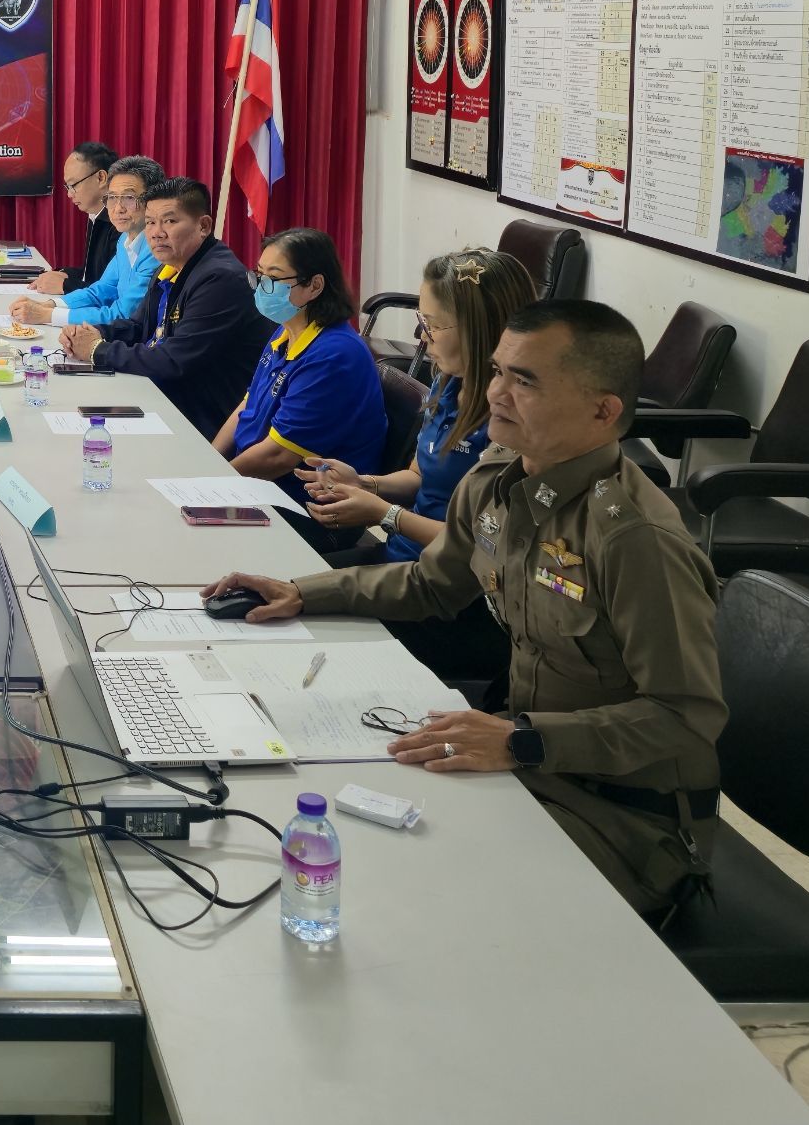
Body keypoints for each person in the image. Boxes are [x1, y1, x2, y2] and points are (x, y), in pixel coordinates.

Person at [207, 300, 725, 916]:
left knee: (412, 900)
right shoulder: (496, 479)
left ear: (603, 410)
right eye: (499, 371)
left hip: (623, 817)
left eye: (525, 381)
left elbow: (685, 716)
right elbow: (432, 584)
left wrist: (522, 742)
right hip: (527, 763)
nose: (496, 393)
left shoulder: (634, 540)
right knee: (325, 822)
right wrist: (305, 592)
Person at [298, 246, 536, 563]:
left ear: (479, 329)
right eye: (422, 321)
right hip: (402, 556)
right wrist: (364, 483)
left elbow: (483, 544)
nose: (423, 338)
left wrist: (386, 514)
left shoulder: (512, 421)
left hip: (447, 575)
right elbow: (420, 477)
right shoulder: (448, 382)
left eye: (432, 325)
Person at [57, 178, 264, 442]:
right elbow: (138, 326)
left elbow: (173, 360)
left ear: (203, 226)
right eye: (150, 222)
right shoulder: (170, 267)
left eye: (169, 221)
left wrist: (97, 349)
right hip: (164, 397)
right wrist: (93, 333)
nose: (156, 233)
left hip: (202, 419)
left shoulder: (220, 279)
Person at [213, 227, 385, 511]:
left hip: (304, 504)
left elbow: (278, 457)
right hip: (255, 482)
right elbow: (248, 404)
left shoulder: (333, 355)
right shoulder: (286, 331)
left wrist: (215, 484)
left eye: (274, 278)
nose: (261, 287)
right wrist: (211, 461)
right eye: (259, 275)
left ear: (315, 286)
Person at [12, 155, 161, 331]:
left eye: (129, 197)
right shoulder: (125, 239)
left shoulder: (156, 249)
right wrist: (50, 304)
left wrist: (47, 315)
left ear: (153, 200)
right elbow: (103, 290)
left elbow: (123, 315)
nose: (118, 208)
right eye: (112, 197)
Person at [29, 142, 117, 294]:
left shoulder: (120, 223)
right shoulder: (95, 215)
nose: (70, 194)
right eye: (67, 187)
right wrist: (63, 273)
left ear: (101, 177)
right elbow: (91, 275)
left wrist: (65, 285)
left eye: (73, 185)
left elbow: (111, 290)